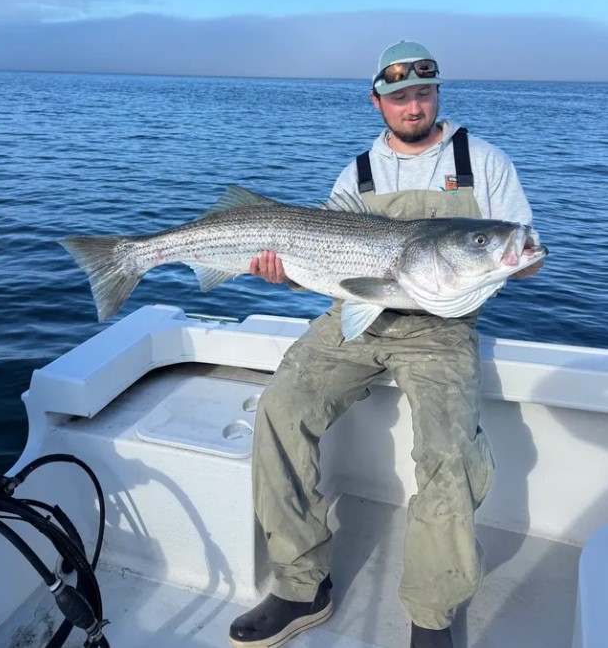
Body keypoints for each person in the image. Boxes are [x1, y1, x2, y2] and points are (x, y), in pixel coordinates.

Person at [228, 41, 543, 648]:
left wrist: (503, 259)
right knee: (279, 411)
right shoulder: (359, 175)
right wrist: (282, 270)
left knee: (448, 454)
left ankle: (432, 616)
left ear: (437, 95)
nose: (412, 105)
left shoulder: (483, 162)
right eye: (398, 97)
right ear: (378, 102)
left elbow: (524, 253)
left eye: (423, 93)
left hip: (441, 325)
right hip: (357, 313)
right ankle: (299, 585)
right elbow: (323, 267)